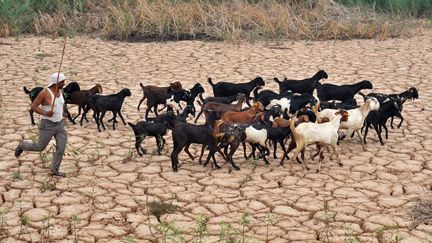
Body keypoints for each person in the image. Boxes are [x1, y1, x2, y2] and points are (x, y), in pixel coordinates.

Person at [15, 72, 68, 177]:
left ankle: (54, 170)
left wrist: (63, 112)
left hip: (60, 124)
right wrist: (46, 113)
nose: (64, 84)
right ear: (56, 83)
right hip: (47, 125)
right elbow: (33, 107)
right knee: (40, 147)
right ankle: (22, 145)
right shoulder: (45, 92)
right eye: (62, 82)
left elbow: (60, 104)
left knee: (61, 148)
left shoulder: (60, 91)